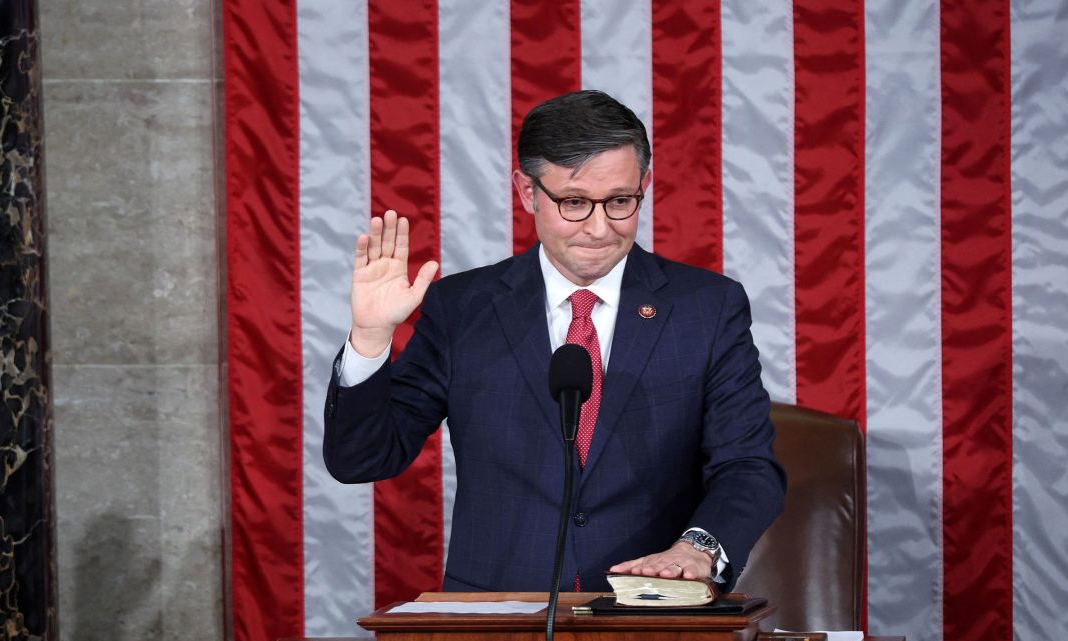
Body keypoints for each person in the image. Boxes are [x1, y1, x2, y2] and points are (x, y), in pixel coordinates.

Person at [323, 90, 784, 593]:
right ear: (527, 192)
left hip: (653, 612)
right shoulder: (462, 308)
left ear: (644, 186)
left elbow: (747, 466)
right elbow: (363, 459)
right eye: (575, 203)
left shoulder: (707, 308)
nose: (600, 227)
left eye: (621, 202)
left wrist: (696, 550)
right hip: (500, 617)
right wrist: (370, 339)